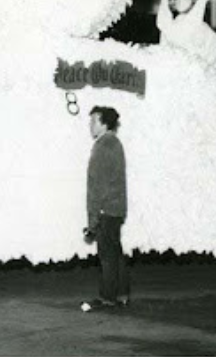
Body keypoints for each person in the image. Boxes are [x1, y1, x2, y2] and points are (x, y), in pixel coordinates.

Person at [81, 106, 130, 312]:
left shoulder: (102, 147)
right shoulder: (116, 144)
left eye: (94, 121)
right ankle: (121, 294)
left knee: (107, 256)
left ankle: (108, 297)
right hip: (117, 209)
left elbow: (95, 187)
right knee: (116, 254)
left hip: (105, 210)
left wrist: (92, 221)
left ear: (103, 123)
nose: (90, 125)